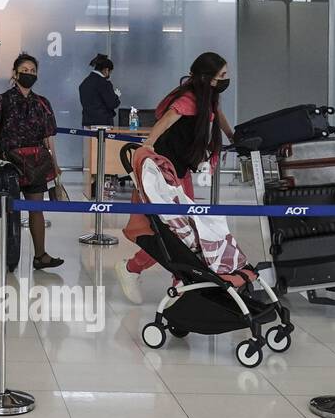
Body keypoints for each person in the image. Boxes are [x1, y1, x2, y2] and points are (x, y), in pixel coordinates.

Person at [115, 52, 236, 304]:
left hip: (182, 170)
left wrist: (234, 136)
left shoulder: (208, 97)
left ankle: (178, 283)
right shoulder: (188, 98)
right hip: (164, 172)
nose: (227, 79)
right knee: (169, 232)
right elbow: (166, 120)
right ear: (206, 77)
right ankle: (135, 270)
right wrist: (145, 147)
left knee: (185, 231)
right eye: (222, 75)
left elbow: (217, 115)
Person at [0, 53, 65, 270]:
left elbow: (48, 136)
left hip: (36, 163)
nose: (29, 74)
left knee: (36, 208)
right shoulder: (2, 100)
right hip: (9, 163)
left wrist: (55, 163)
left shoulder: (42, 103)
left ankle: (40, 256)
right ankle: (3, 255)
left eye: (33, 71)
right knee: (7, 211)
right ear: (15, 74)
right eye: (24, 70)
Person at [79, 53, 120, 198]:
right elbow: (112, 103)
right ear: (106, 70)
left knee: (91, 159)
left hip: (88, 124)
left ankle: (90, 188)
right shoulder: (104, 83)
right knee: (104, 158)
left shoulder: (85, 83)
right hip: (103, 125)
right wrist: (117, 96)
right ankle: (103, 190)